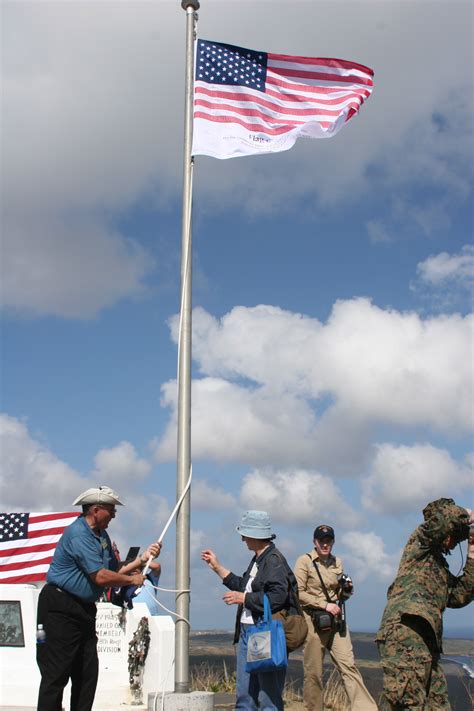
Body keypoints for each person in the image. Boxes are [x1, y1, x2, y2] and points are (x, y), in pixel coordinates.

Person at [36, 485, 162, 711]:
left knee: (86, 674)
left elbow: (114, 569)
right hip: (60, 608)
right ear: (96, 510)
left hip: (83, 609)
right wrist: (133, 581)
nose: (114, 515)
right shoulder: (78, 534)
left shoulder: (102, 536)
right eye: (111, 510)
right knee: (56, 674)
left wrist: (142, 560)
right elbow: (101, 577)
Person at [376, 498, 474, 710]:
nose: (453, 540)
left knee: (436, 704)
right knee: (406, 702)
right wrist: (469, 515)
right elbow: (444, 520)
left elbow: (460, 595)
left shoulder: (438, 565)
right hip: (405, 630)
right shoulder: (420, 544)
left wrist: (472, 554)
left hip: (428, 640)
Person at [201, 510, 298, 711]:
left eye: (245, 534)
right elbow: (243, 585)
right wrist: (217, 567)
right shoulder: (259, 559)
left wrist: (243, 598)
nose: (243, 539)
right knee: (246, 696)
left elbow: (278, 597)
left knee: (267, 697)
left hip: (263, 633)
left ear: (255, 535)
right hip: (250, 633)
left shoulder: (273, 561)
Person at [294, 525, 377, 711]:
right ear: (314, 542)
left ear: (333, 542)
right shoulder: (304, 561)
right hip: (314, 621)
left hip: (336, 621)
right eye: (321, 540)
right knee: (314, 672)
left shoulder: (337, 562)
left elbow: (337, 593)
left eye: (328, 540)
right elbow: (297, 592)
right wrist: (323, 605)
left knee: (349, 665)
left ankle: (366, 709)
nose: (325, 544)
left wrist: (346, 590)